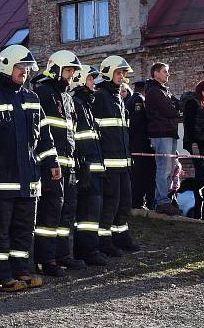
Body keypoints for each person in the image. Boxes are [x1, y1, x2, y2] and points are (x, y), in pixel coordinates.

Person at [0, 44, 59, 292]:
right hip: (0, 179)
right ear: (6, 66)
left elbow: (45, 136)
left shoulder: (32, 98)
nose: (25, 72)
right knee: (0, 230)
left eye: (27, 68)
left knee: (23, 231)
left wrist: (52, 162)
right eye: (20, 67)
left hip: (28, 180)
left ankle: (20, 271)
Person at [33, 50, 85, 276]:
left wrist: (76, 162)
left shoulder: (67, 97)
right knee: (50, 214)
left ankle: (64, 256)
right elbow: (41, 134)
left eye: (73, 71)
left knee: (67, 214)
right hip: (50, 167)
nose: (71, 75)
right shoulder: (43, 93)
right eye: (68, 70)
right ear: (55, 70)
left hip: (69, 166)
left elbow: (71, 134)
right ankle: (46, 260)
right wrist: (47, 163)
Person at [94, 55, 140, 256]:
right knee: (110, 204)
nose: (122, 76)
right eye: (119, 72)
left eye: (123, 73)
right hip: (109, 164)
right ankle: (105, 242)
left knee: (124, 202)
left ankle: (121, 237)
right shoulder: (101, 96)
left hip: (122, 163)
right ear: (108, 73)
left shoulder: (117, 98)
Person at [71, 65, 109, 266]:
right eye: (90, 79)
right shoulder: (77, 103)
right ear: (79, 80)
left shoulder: (86, 104)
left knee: (93, 213)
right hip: (86, 170)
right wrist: (83, 167)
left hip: (94, 169)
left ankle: (91, 249)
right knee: (87, 215)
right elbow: (77, 139)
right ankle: (88, 251)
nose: (93, 83)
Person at [145, 62, 183, 216]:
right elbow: (169, 110)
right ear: (156, 73)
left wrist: (176, 107)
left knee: (170, 167)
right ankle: (162, 201)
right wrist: (175, 108)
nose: (168, 74)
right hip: (161, 133)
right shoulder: (154, 91)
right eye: (165, 71)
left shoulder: (164, 90)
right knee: (164, 168)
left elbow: (177, 105)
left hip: (169, 132)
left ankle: (164, 199)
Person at [182, 80, 204, 220]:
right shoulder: (192, 103)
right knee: (200, 177)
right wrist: (193, 144)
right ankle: (198, 212)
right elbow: (188, 125)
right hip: (196, 143)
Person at [126, 80, 155, 210]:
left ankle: (139, 202)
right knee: (140, 175)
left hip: (137, 144)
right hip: (140, 145)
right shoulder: (138, 101)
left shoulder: (131, 100)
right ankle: (138, 202)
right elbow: (135, 123)